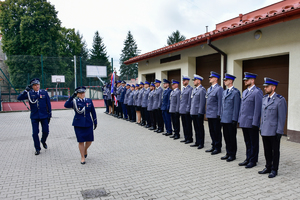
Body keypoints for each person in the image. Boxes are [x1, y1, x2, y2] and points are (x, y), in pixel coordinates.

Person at [258, 78, 287, 178]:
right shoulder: (264, 99)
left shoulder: (280, 100)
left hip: (274, 131)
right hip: (265, 130)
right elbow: (263, 115)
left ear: (273, 87)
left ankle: (274, 169)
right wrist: (261, 127)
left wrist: (279, 131)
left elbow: (282, 117)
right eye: (265, 86)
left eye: (267, 86)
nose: (265, 88)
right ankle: (268, 167)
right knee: (267, 150)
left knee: (275, 151)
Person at [17, 78, 52, 155]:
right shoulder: (29, 93)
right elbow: (19, 98)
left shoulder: (44, 93)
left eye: (38, 84)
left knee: (46, 131)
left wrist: (49, 115)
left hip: (44, 115)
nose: (37, 86)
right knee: (35, 133)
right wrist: (25, 90)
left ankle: (43, 141)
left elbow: (48, 104)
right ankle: (37, 148)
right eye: (35, 85)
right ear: (32, 86)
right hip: (34, 116)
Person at [64, 86, 97, 164]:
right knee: (81, 141)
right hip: (78, 124)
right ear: (77, 94)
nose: (82, 94)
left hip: (88, 123)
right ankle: (82, 157)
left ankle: (85, 150)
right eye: (80, 93)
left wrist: (95, 121)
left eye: (83, 92)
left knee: (89, 140)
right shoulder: (74, 101)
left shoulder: (89, 101)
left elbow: (93, 112)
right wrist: (72, 96)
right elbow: (66, 105)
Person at [238, 72, 263, 168]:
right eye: (245, 80)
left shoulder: (257, 92)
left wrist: (255, 122)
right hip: (244, 121)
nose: (245, 81)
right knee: (247, 142)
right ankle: (248, 158)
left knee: (254, 142)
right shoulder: (244, 92)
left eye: (247, 80)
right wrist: (240, 119)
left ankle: (253, 160)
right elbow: (242, 107)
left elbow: (257, 108)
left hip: (252, 122)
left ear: (252, 80)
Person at [220, 73, 241, 162]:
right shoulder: (224, 92)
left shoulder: (235, 92)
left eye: (226, 80)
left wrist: (234, 119)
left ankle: (233, 154)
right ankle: (228, 152)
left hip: (231, 119)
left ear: (231, 81)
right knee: (226, 137)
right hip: (224, 118)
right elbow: (222, 106)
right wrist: (221, 117)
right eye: (224, 80)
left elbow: (236, 107)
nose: (224, 81)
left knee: (232, 137)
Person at [205, 71, 224, 155]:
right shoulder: (209, 89)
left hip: (216, 114)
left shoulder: (219, 89)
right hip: (210, 113)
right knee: (211, 131)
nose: (209, 78)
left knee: (217, 131)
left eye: (211, 77)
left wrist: (219, 114)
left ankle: (218, 147)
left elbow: (220, 102)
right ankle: (213, 145)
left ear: (216, 79)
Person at [190, 74, 206, 149]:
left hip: (198, 112)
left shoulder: (202, 90)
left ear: (199, 81)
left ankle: (201, 143)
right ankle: (197, 141)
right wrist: (191, 111)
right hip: (194, 111)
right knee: (196, 128)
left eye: (195, 80)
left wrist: (200, 112)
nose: (193, 82)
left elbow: (202, 102)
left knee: (200, 128)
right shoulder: (194, 90)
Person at [179, 75, 193, 144]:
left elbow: (189, 100)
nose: (183, 82)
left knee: (188, 125)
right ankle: (186, 137)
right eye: (182, 80)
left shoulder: (190, 89)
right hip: (182, 110)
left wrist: (188, 109)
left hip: (186, 110)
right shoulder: (183, 89)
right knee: (184, 124)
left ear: (187, 81)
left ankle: (190, 138)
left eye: (184, 80)